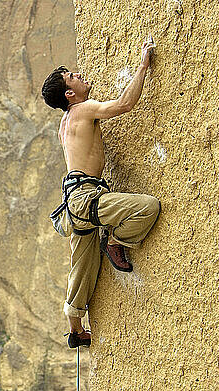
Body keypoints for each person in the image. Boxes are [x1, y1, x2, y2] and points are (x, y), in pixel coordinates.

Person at [40, 38, 160, 349]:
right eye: (73, 77)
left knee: (82, 266)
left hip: (74, 202)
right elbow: (123, 105)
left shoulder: (65, 123)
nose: (79, 75)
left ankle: (76, 329)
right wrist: (144, 66)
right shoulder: (82, 109)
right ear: (70, 94)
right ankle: (117, 240)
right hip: (87, 196)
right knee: (147, 207)